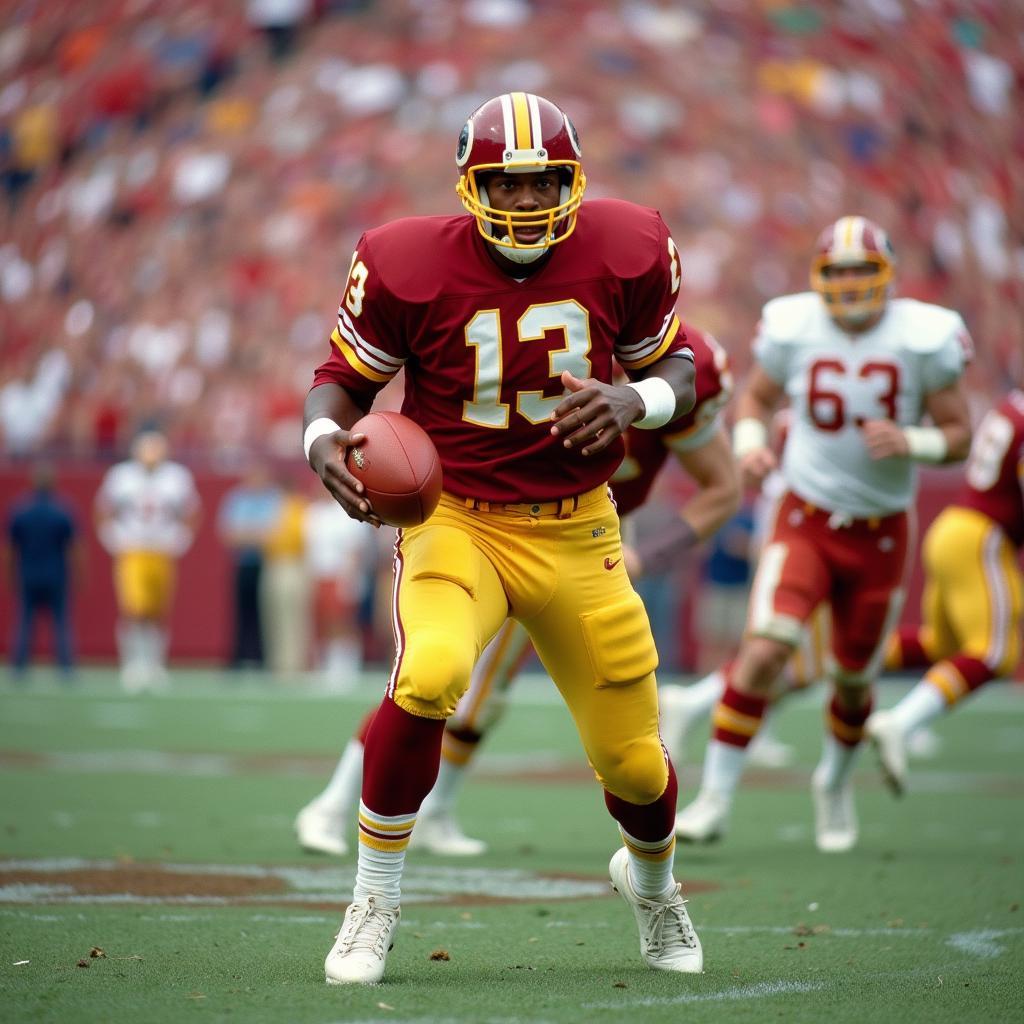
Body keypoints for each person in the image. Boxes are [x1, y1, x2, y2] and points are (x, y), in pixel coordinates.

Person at [303, 92, 702, 984]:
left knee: (635, 764)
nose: (527, 202)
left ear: (573, 181)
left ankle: (654, 887)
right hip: (458, 519)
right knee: (432, 672)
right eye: (507, 185)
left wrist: (636, 398)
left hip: (577, 527)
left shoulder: (630, 243)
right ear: (471, 187)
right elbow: (341, 382)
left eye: (544, 182)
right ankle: (373, 899)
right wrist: (322, 441)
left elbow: (677, 361)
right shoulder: (402, 260)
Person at [295, 321, 740, 857]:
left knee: (497, 696)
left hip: (582, 540)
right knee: (432, 677)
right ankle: (334, 803)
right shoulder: (520, 338)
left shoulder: (680, 368)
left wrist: (648, 553)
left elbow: (721, 487)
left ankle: (430, 810)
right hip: (485, 526)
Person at [673, 214, 973, 853]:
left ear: (887, 275)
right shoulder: (793, 326)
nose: (851, 284)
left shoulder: (926, 336)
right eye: (838, 273)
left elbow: (959, 436)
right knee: (765, 649)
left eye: (863, 270)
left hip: (882, 532)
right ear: (819, 278)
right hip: (803, 517)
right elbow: (754, 401)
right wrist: (751, 447)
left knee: (855, 679)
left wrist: (912, 439)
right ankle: (714, 798)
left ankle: (833, 783)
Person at [866, 387, 1024, 792]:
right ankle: (901, 723)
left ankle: (848, 657)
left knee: (943, 646)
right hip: (982, 537)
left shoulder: (1012, 402)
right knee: (993, 652)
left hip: (956, 529)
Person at [95, 430, 200, 693]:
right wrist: (113, 538)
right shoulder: (121, 477)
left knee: (158, 611)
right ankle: (132, 664)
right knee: (133, 609)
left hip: (161, 550)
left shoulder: (176, 477)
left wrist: (182, 538)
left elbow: (193, 511)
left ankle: (154, 665)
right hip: (133, 550)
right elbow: (102, 510)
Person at [5, 463, 81, 678]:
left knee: (26, 621)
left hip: (28, 573)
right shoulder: (62, 510)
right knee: (60, 622)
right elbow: (74, 547)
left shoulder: (21, 510)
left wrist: (11, 573)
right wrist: (78, 574)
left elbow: (10, 548)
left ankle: (20, 666)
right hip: (55, 573)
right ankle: (65, 667)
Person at [303, 486, 375, 691]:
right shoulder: (313, 512)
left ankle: (346, 666)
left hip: (342, 574)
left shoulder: (347, 512)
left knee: (344, 621)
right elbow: (311, 548)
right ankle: (327, 664)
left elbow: (356, 547)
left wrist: (349, 576)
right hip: (320, 574)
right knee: (324, 621)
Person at [217, 462, 282, 670]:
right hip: (243, 563)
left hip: (267, 563)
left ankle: (261, 657)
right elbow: (229, 534)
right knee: (241, 611)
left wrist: (249, 534)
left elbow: (274, 535)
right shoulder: (237, 498)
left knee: (265, 612)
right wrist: (255, 535)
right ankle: (240, 656)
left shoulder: (274, 498)